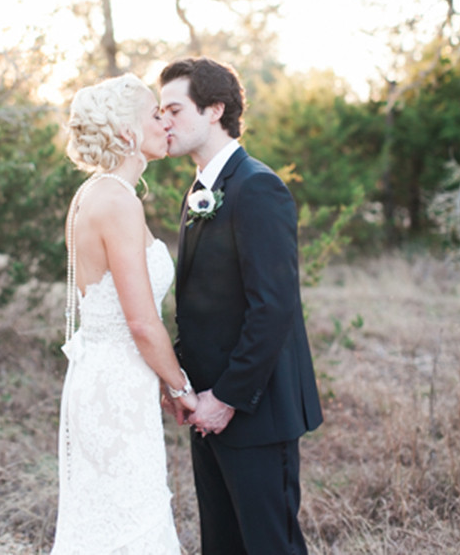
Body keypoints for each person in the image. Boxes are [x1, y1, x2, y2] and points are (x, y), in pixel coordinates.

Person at [159, 56, 323, 555]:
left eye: (173, 109)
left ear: (214, 110)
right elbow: (202, 303)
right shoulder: (198, 191)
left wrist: (225, 398)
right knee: (223, 545)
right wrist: (189, 389)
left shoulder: (257, 187)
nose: (163, 121)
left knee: (269, 545)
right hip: (207, 408)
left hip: (253, 409)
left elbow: (272, 308)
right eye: (159, 112)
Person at [50, 73, 196, 555]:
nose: (165, 123)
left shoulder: (97, 193)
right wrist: (179, 386)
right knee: (129, 524)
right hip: (115, 387)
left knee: (111, 520)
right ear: (128, 133)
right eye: (156, 115)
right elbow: (140, 321)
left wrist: (154, 377)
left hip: (112, 377)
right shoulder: (117, 200)